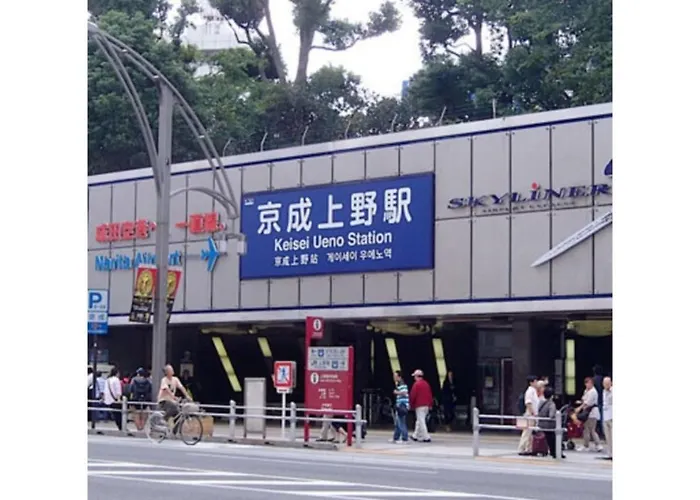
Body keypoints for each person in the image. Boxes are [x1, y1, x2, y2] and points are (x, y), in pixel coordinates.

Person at [157, 364, 192, 431]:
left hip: (172, 401)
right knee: (173, 407)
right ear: (167, 372)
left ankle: (174, 432)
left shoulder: (175, 379)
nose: (173, 370)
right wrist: (174, 397)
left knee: (179, 415)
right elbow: (167, 390)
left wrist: (187, 396)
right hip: (164, 400)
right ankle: (163, 419)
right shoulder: (164, 380)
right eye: (171, 370)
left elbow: (181, 387)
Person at [576, 377, 603, 452]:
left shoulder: (593, 392)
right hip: (587, 412)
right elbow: (584, 399)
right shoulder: (586, 391)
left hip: (592, 413)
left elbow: (588, 403)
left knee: (591, 429)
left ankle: (595, 445)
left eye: (589, 383)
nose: (587, 385)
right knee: (587, 429)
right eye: (586, 383)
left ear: (592, 383)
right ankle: (590, 445)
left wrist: (579, 408)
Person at [538, 387, 564, 458]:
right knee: (554, 438)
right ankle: (556, 453)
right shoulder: (551, 404)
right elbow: (551, 415)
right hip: (549, 425)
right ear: (552, 396)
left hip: (541, 424)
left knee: (549, 439)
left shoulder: (541, 402)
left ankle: (553, 452)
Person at [409, 369, 433, 443]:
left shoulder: (416, 384)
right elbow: (430, 395)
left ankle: (426, 437)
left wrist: (410, 404)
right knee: (419, 421)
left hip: (419, 405)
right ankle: (415, 435)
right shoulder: (426, 384)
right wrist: (430, 404)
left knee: (421, 421)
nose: (414, 378)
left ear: (417, 376)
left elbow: (413, 395)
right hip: (426, 405)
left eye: (415, 376)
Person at [518, 375, 538, 455]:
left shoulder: (533, 390)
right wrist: (533, 413)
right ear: (531, 382)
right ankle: (522, 448)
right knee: (527, 432)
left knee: (530, 433)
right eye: (535, 381)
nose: (536, 383)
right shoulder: (530, 391)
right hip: (530, 414)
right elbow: (528, 403)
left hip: (532, 414)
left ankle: (528, 448)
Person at [390, 371, 409, 443]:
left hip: (402, 405)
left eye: (395, 376)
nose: (394, 377)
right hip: (399, 405)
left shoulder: (402, 384)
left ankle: (405, 438)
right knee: (398, 423)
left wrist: (397, 392)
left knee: (401, 422)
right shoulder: (398, 384)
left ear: (399, 377)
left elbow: (405, 392)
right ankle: (396, 437)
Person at [602, 376, 613, 459]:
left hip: (612, 415)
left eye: (608, 383)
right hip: (606, 415)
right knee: (608, 436)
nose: (606, 385)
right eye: (605, 383)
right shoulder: (604, 391)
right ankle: (610, 453)